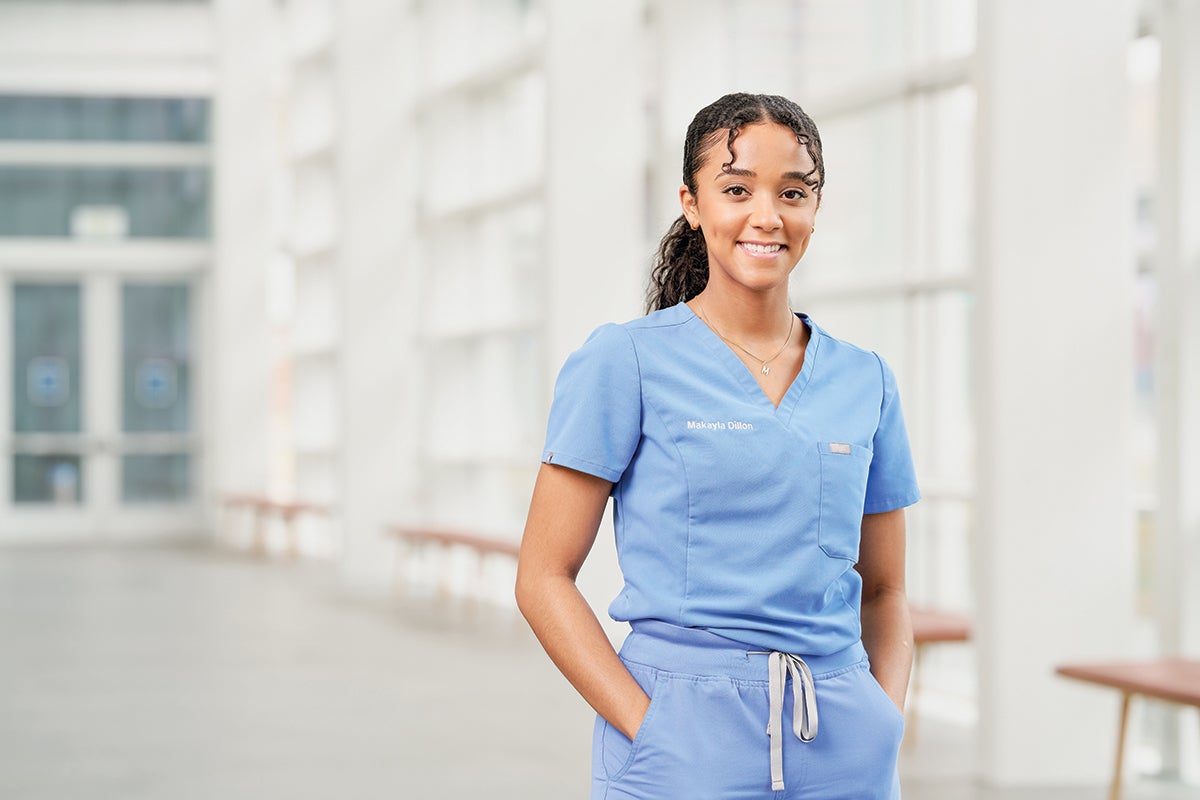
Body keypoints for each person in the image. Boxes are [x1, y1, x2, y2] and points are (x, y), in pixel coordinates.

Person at [515, 92, 920, 800]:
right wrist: (649, 726)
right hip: (683, 746)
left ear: (815, 210)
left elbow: (884, 590)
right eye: (737, 189)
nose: (767, 216)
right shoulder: (626, 361)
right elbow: (542, 577)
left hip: (846, 745)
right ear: (692, 203)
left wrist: (882, 719)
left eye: (793, 192)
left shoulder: (866, 379)